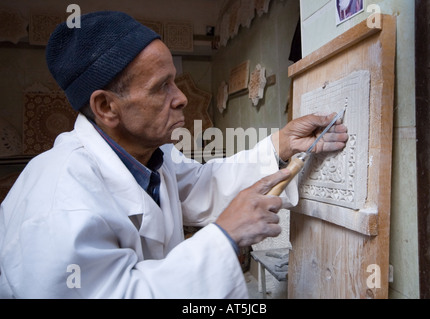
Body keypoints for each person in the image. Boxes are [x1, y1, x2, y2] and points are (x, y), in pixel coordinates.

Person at [0, 11, 348, 298]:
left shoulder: (153, 156)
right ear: (106, 106)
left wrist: (280, 144)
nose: (180, 97)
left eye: (174, 81)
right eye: (161, 87)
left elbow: (203, 183)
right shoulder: (57, 204)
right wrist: (224, 237)